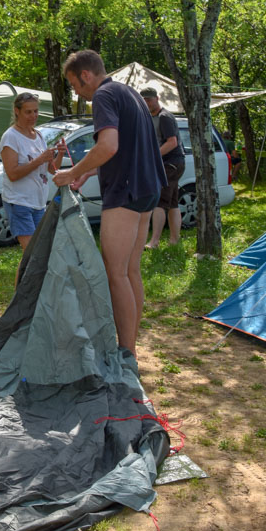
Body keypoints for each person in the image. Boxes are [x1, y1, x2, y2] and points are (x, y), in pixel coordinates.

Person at [53, 50, 165, 357]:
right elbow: (123, 148)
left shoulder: (103, 95)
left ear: (86, 75)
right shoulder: (129, 92)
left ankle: (125, 352)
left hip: (125, 194)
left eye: (74, 84)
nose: (76, 91)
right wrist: (88, 173)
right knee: (130, 271)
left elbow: (109, 145)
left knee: (115, 273)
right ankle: (131, 343)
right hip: (148, 188)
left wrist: (71, 172)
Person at [0, 92, 66, 250]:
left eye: (36, 111)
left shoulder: (38, 136)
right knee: (32, 253)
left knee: (36, 254)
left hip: (38, 203)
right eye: (28, 112)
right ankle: (29, 276)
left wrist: (60, 153)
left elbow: (51, 169)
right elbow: (13, 174)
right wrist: (39, 160)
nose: (33, 116)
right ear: (17, 111)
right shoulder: (10, 137)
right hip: (19, 202)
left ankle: (25, 276)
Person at [140, 87, 186, 248]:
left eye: (149, 99)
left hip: (171, 163)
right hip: (169, 163)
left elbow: (172, 142)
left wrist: (152, 157)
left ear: (157, 98)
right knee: (172, 203)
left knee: (159, 202)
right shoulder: (149, 117)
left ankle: (154, 241)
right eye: (144, 100)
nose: (147, 103)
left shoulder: (165, 117)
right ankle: (174, 240)